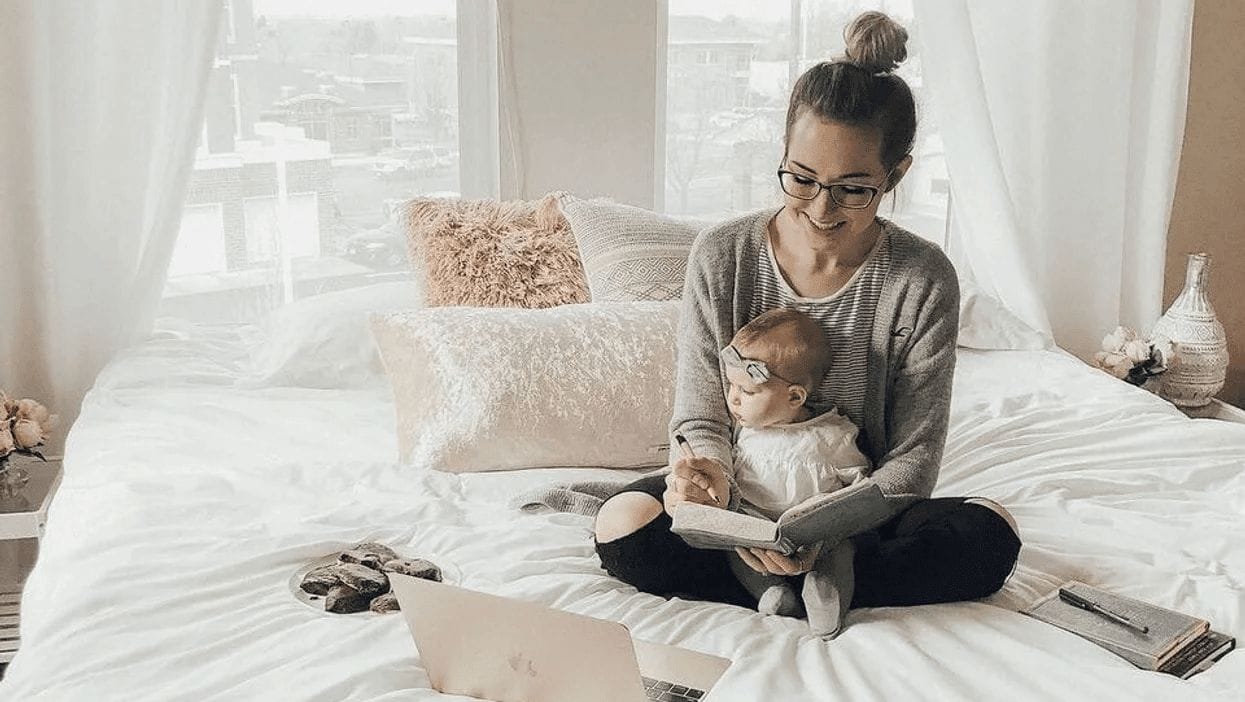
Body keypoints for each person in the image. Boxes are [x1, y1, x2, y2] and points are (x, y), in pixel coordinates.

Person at [593, 11, 1021, 622]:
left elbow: (913, 461)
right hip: (738, 499)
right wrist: (712, 489)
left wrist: (820, 528)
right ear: (784, 154)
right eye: (801, 178)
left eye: (853, 188)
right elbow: (700, 413)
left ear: (895, 175)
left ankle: (817, 576)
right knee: (621, 522)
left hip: (855, 513)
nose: (820, 208)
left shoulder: (922, 278)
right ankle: (783, 582)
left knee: (989, 536)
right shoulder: (724, 255)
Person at [718, 307, 872, 636]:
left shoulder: (831, 435)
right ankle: (774, 594)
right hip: (758, 534)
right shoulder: (746, 432)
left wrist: (832, 516)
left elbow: (861, 485)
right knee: (737, 553)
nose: (733, 399)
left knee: (840, 552)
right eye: (731, 386)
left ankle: (826, 597)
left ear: (794, 396)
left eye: (747, 391)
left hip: (816, 537)